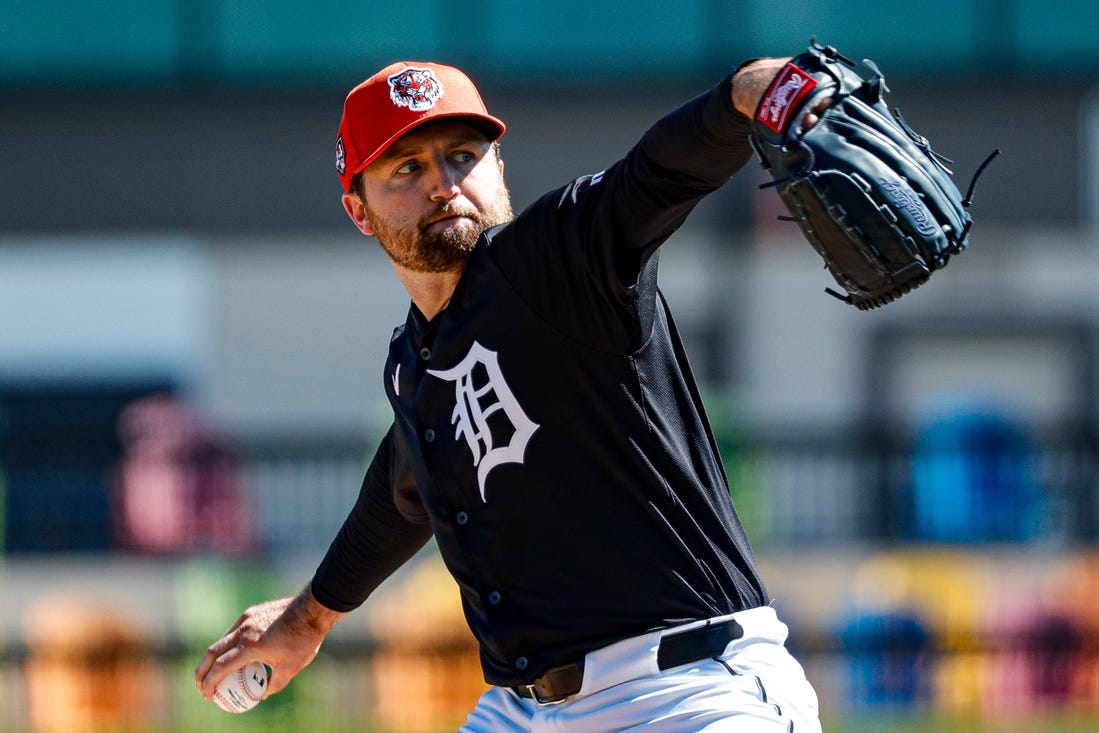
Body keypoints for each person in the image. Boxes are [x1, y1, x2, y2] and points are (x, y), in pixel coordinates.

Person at [196, 56, 824, 732]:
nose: (443, 183)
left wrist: (744, 96)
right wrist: (307, 619)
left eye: (462, 155)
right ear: (359, 209)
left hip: (685, 691)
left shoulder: (559, 257)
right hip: (525, 711)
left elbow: (655, 174)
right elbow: (404, 485)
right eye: (406, 168)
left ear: (497, 166)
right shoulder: (415, 365)